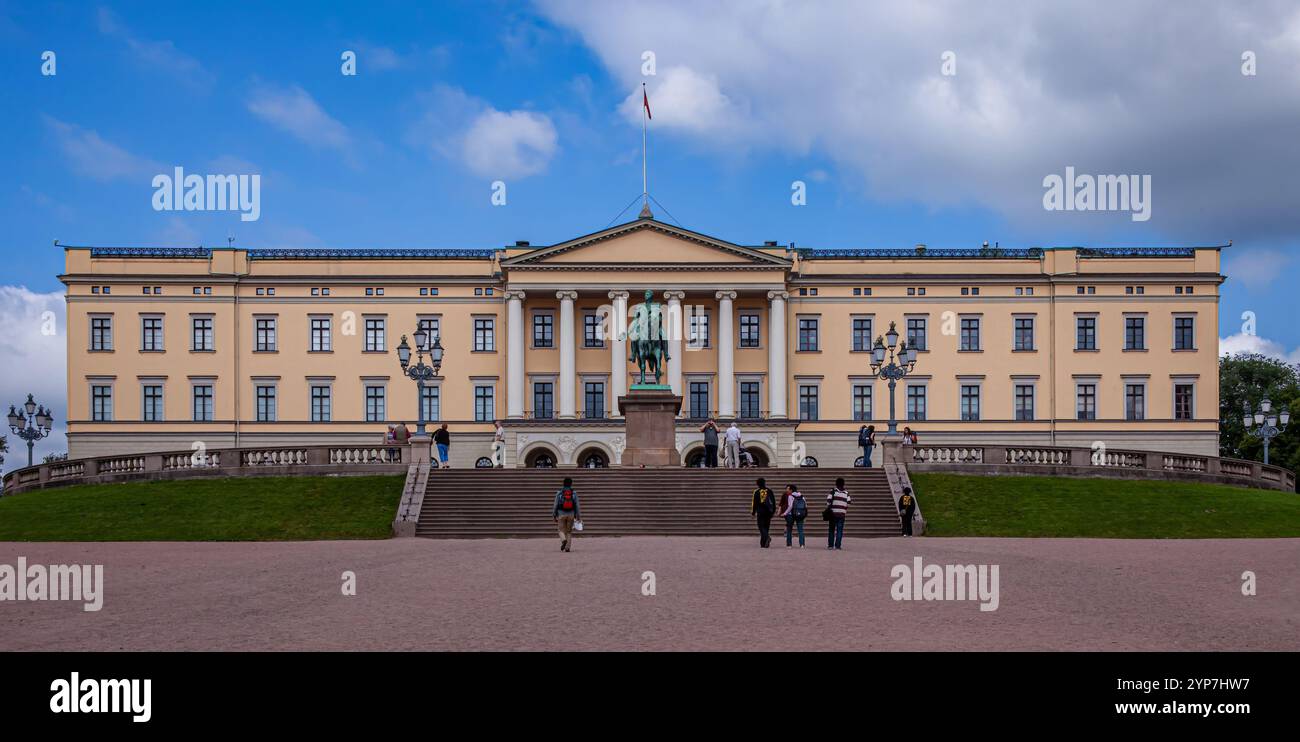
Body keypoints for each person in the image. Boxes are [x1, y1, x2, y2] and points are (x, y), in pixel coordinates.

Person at [552, 476, 581, 552]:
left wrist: (554, 515)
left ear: (563, 483)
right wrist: (578, 516)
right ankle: (567, 547)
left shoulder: (559, 493)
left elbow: (555, 505)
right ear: (571, 484)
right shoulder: (574, 493)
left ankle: (563, 540)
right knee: (569, 531)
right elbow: (577, 505)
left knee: (560, 530)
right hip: (571, 514)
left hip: (561, 513)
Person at [751, 477, 776, 548]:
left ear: (757, 484)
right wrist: (773, 511)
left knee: (761, 526)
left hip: (760, 511)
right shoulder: (769, 491)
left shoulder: (757, 491)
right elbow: (773, 502)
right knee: (766, 527)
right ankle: (763, 543)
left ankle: (767, 537)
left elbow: (754, 503)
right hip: (768, 512)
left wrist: (753, 512)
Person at [826, 476, 851, 550]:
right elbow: (849, 503)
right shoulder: (846, 493)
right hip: (842, 514)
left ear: (836, 483)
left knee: (831, 530)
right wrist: (844, 509)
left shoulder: (833, 491)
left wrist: (832, 507)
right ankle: (838, 546)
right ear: (843, 484)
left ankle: (830, 545)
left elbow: (828, 501)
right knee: (839, 530)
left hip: (833, 514)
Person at [781, 483, 807, 548]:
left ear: (791, 490)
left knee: (789, 529)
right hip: (800, 514)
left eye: (788, 489)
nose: (787, 490)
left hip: (791, 515)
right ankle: (802, 544)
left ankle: (789, 544)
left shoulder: (790, 496)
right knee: (800, 529)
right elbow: (805, 506)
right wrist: (804, 514)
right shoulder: (801, 496)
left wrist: (785, 513)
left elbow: (790, 506)